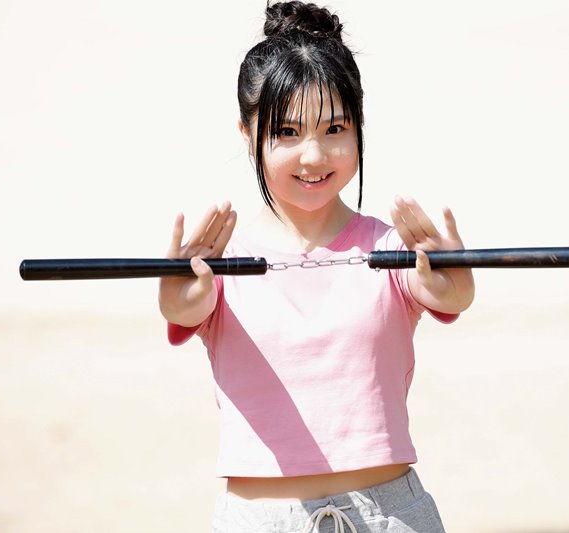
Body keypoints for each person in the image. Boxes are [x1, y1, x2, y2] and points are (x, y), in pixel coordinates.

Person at [159, 2, 474, 531]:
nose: (314, 156)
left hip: (389, 516)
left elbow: (448, 295)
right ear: (247, 133)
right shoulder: (221, 262)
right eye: (286, 131)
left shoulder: (391, 246)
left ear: (358, 127)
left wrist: (455, 278)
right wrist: (177, 297)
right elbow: (184, 307)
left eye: (334, 128)